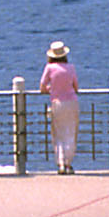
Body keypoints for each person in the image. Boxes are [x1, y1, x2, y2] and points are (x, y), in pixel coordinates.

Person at [38, 41, 79, 174]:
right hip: (72, 102)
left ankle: (61, 163)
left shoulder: (49, 68)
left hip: (57, 103)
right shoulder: (71, 68)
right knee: (71, 132)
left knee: (58, 134)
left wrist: (51, 89)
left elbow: (42, 86)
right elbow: (76, 87)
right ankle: (68, 163)